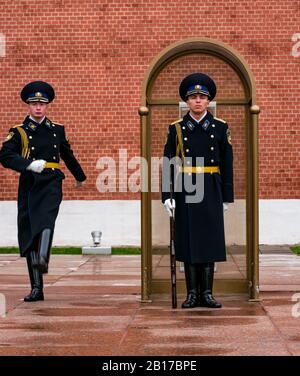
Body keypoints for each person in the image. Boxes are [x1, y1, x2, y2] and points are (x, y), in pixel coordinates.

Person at [0, 81, 86, 302]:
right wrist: (27, 164)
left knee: (46, 219)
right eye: (34, 103)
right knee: (29, 233)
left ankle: (44, 257)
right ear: (28, 106)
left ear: (47, 106)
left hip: (51, 181)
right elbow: (5, 156)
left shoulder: (56, 130)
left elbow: (67, 155)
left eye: (42, 104)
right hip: (30, 183)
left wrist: (79, 176)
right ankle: (37, 288)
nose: (38, 108)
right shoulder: (18, 132)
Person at [162, 73, 234, 309]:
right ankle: (192, 293)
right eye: (193, 97)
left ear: (209, 100)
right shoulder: (177, 129)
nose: (198, 101)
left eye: (202, 97)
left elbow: (227, 163)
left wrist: (226, 197)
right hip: (187, 186)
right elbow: (169, 163)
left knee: (210, 240)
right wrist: (167, 196)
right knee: (189, 239)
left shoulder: (220, 127)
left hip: (211, 186)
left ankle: (208, 293)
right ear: (186, 101)